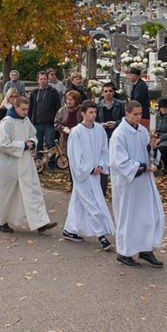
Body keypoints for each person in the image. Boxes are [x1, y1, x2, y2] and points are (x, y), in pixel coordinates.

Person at [109, 100, 164, 268]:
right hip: (128, 184)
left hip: (144, 183)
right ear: (127, 113)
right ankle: (124, 252)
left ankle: (145, 248)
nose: (139, 118)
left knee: (148, 216)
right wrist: (141, 167)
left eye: (141, 114)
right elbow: (119, 161)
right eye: (136, 114)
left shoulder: (142, 131)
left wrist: (152, 148)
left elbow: (147, 152)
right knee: (129, 218)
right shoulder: (119, 134)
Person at [0, 97, 57, 234]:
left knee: (32, 190)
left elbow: (33, 134)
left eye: (27, 109)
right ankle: (1, 221)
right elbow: (3, 144)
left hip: (25, 162)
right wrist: (24, 145)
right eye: (23, 109)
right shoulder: (6, 123)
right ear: (15, 107)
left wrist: (32, 141)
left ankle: (40, 222)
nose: (26, 112)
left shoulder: (25, 120)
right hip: (7, 164)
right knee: (6, 193)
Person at [62, 100, 115, 250]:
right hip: (83, 175)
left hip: (96, 173)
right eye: (90, 112)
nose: (93, 115)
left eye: (95, 112)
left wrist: (101, 165)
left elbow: (104, 149)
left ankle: (69, 229)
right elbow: (75, 155)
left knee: (79, 202)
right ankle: (101, 236)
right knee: (93, 204)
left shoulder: (99, 129)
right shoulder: (76, 132)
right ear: (83, 113)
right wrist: (88, 169)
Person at [96, 82, 125, 192]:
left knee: (116, 162)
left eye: (110, 91)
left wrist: (116, 123)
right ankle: (102, 190)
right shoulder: (98, 105)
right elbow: (94, 120)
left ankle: (118, 189)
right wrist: (101, 125)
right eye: (106, 91)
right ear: (102, 93)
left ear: (114, 92)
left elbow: (125, 118)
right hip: (102, 136)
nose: (108, 93)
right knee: (103, 162)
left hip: (116, 135)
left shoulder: (120, 104)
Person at [28, 70, 62, 155]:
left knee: (50, 143)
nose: (43, 81)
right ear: (38, 80)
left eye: (44, 79)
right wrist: (29, 120)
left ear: (48, 80)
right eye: (41, 79)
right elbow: (30, 108)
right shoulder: (34, 93)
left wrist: (57, 121)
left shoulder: (54, 92)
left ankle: (51, 162)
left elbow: (58, 108)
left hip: (49, 123)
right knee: (38, 143)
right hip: (37, 122)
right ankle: (39, 160)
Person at [54, 90, 82, 158]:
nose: (69, 101)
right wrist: (65, 129)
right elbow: (56, 124)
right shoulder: (62, 110)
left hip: (79, 138)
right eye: (67, 99)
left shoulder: (81, 110)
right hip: (65, 138)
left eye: (71, 100)